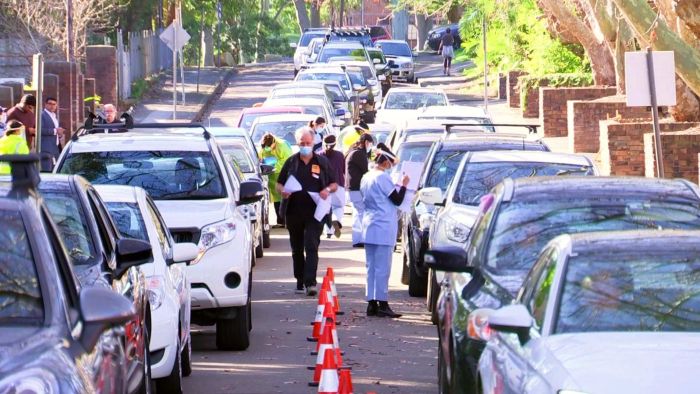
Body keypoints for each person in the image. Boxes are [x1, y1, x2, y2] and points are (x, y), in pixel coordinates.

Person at [277, 127, 338, 296]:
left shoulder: (322, 162)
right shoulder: (291, 162)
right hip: (294, 212)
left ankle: (310, 282)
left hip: (316, 212)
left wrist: (327, 189)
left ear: (313, 143)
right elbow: (279, 184)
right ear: (297, 144)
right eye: (302, 143)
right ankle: (299, 279)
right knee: (297, 248)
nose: (305, 146)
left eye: (308, 143)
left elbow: (335, 184)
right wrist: (283, 191)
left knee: (311, 245)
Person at [361, 143, 409, 318]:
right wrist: (403, 185)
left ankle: (371, 303)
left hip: (369, 225)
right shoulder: (382, 177)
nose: (391, 166)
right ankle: (382, 303)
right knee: (382, 267)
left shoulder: (366, 176)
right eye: (390, 162)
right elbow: (397, 199)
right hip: (383, 226)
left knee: (371, 267)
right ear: (385, 160)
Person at [345, 133, 374, 247]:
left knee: (358, 213)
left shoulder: (354, 152)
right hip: (356, 188)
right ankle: (359, 239)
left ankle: (358, 239)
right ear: (366, 142)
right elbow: (366, 171)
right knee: (360, 213)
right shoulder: (359, 154)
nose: (370, 146)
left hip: (352, 188)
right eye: (370, 144)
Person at [260, 133, 293, 227]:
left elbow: (287, 160)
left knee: (285, 199)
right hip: (272, 176)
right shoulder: (264, 147)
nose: (268, 148)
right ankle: (280, 221)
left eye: (269, 146)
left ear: (273, 142)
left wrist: (274, 165)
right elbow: (261, 156)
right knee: (276, 200)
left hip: (283, 174)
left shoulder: (282, 145)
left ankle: (286, 221)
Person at [319, 134, 345, 238]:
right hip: (338, 185)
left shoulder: (319, 155)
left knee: (326, 209)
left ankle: (328, 231)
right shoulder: (339, 155)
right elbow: (343, 169)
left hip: (324, 186)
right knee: (338, 206)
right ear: (335, 144)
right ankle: (336, 218)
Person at [40, 97, 65, 172]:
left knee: (56, 169)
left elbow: (55, 130)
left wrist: (59, 133)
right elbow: (40, 130)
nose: (52, 106)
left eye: (54, 104)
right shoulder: (42, 115)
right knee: (47, 169)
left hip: (55, 147)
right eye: (50, 104)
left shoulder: (54, 115)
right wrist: (55, 131)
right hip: (46, 147)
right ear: (45, 104)